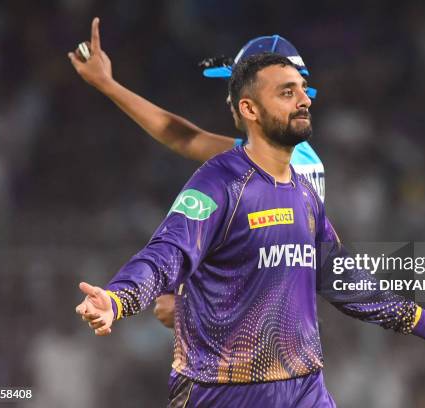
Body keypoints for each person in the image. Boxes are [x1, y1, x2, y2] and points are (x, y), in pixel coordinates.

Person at [74, 47, 425, 406]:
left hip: (303, 388)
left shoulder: (304, 191)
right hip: (223, 391)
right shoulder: (220, 182)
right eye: (286, 92)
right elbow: (167, 254)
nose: (303, 100)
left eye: (302, 91)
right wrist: (118, 299)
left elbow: (341, 278)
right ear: (249, 110)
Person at [68, 18, 324, 329]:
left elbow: (272, 289)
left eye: (238, 86)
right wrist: (106, 83)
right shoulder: (291, 155)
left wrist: (192, 310)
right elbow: (182, 136)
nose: (230, 100)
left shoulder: (279, 170)